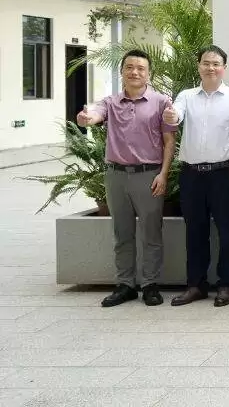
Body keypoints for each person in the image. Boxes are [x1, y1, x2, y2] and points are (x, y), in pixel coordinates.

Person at [78, 49, 175, 307]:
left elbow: (169, 141)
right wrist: (87, 118)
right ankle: (125, 285)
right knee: (122, 233)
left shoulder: (161, 102)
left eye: (141, 68)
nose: (135, 72)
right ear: (121, 72)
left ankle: (150, 285)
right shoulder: (110, 102)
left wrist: (163, 174)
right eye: (129, 67)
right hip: (116, 176)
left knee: (151, 233)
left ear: (149, 73)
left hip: (149, 175)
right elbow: (95, 114)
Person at [164, 45, 229, 307]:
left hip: (224, 173)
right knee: (195, 231)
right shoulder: (186, 96)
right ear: (198, 66)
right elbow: (176, 116)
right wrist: (171, 115)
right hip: (191, 175)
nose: (210, 67)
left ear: (224, 68)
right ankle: (196, 285)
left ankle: (226, 284)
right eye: (206, 63)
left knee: (227, 230)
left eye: (216, 63)